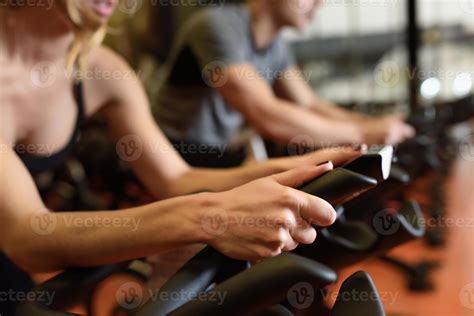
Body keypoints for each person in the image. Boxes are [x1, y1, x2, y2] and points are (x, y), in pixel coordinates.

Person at [0, 0, 363, 287]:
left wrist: (304, 169)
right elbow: (25, 237)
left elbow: (176, 178)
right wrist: (208, 218)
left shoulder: (102, 73)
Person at [152, 0, 415, 166]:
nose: (319, 4)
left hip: (218, 151)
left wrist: (371, 125)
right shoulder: (216, 24)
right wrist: (364, 135)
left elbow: (309, 103)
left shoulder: (276, 45)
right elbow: (266, 115)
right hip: (172, 152)